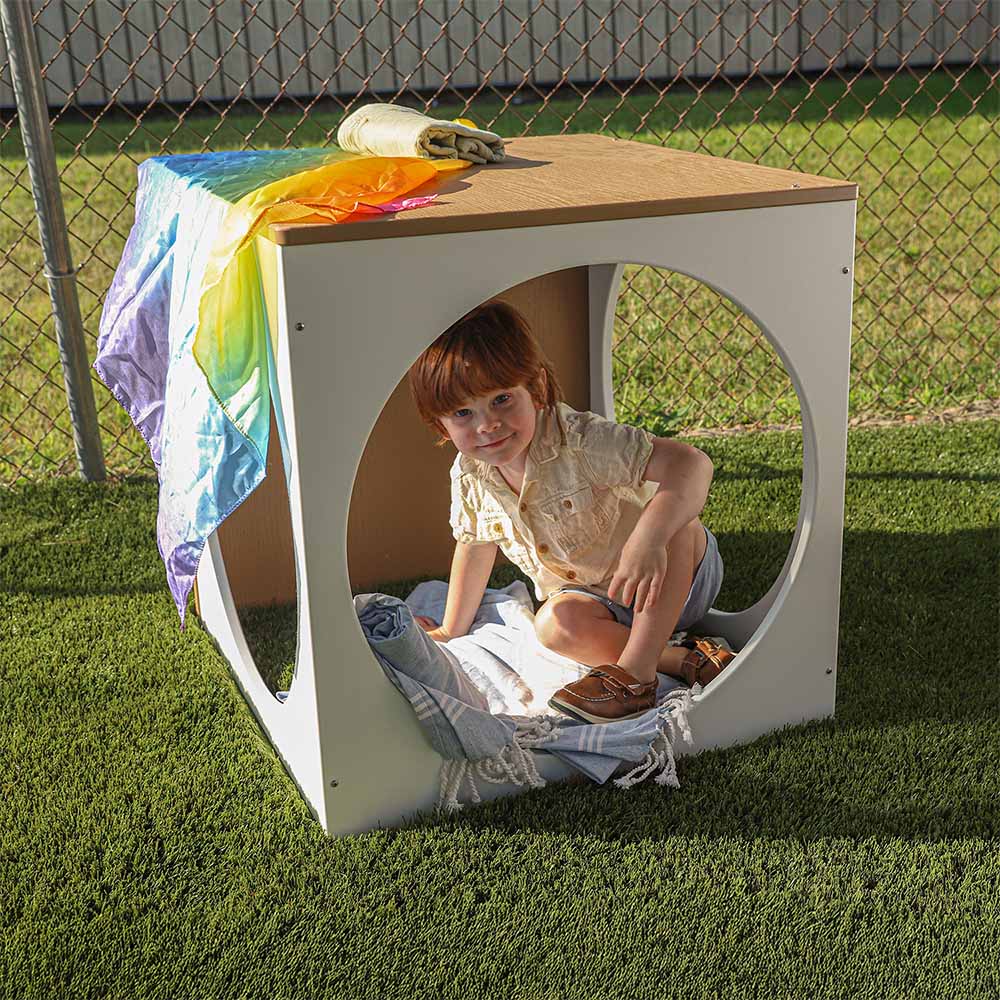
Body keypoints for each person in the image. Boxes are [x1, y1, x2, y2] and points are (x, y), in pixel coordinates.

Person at [407, 300, 734, 724]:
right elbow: (474, 544)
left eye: (502, 399)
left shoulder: (579, 441)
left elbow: (692, 464)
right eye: (463, 413)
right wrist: (451, 629)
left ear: (536, 388)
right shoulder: (471, 476)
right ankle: (685, 659)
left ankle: (636, 676)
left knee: (677, 524)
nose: (486, 425)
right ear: (441, 424)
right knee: (553, 625)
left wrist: (648, 539)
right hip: (600, 601)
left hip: (675, 578)